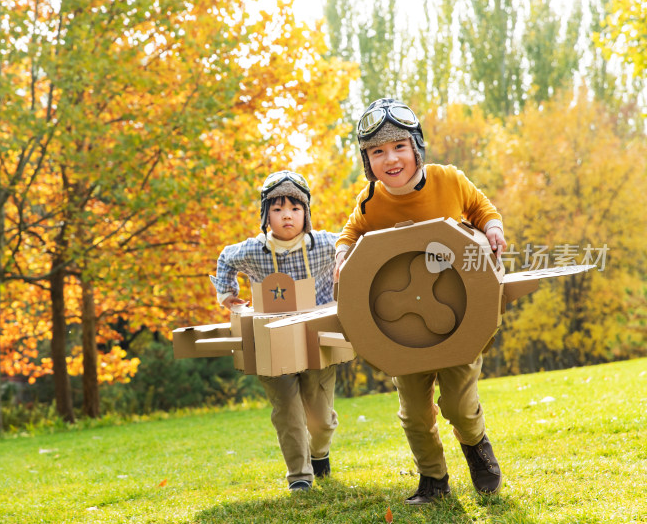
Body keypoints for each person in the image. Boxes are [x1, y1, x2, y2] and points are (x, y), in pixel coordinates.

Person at [333, 98, 507, 505]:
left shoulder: (448, 179)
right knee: (413, 412)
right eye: (378, 152)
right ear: (367, 160)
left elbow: (482, 208)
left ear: (416, 148)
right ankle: (433, 480)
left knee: (459, 406)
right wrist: (342, 254)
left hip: (457, 316)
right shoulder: (370, 200)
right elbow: (350, 231)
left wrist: (494, 229)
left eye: (399, 147)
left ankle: (477, 448)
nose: (390, 159)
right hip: (404, 330)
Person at [210, 170, 340, 492]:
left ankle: (319, 452)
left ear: (306, 213)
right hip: (271, 341)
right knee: (287, 410)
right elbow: (226, 257)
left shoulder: (325, 244)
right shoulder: (255, 250)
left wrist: (346, 281)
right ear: (266, 213)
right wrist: (227, 293)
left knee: (320, 419)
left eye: (295, 209)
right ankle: (299, 476)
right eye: (278, 209)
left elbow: (352, 250)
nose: (287, 217)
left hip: (316, 341)